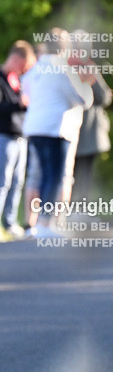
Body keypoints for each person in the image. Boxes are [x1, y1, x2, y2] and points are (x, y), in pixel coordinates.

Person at [21, 29, 94, 237]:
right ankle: (46, 223)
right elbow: (83, 99)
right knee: (56, 176)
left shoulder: (36, 68)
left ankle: (33, 224)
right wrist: (87, 85)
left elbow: (26, 92)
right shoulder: (62, 68)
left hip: (34, 128)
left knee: (40, 175)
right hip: (56, 129)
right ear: (64, 47)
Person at [0, 40, 36, 239]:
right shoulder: (1, 78)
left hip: (20, 137)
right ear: (16, 59)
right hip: (4, 135)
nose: (24, 71)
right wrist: (19, 104)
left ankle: (10, 223)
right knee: (2, 182)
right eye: (24, 66)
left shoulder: (17, 80)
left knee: (17, 182)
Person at [73, 72, 112, 202]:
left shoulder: (62, 67)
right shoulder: (88, 70)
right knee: (84, 174)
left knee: (73, 173)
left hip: (76, 132)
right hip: (85, 133)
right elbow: (104, 97)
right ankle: (80, 208)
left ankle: (75, 208)